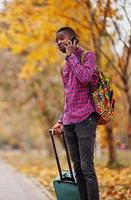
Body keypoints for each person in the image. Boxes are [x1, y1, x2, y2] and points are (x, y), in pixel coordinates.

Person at [51, 26, 100, 200]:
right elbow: (68, 97)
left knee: (87, 169)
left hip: (86, 118)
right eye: (56, 40)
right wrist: (60, 120)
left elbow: (85, 77)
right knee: (77, 169)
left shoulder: (87, 56)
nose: (58, 42)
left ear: (72, 39)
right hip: (70, 121)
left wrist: (72, 57)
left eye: (62, 38)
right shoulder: (64, 65)